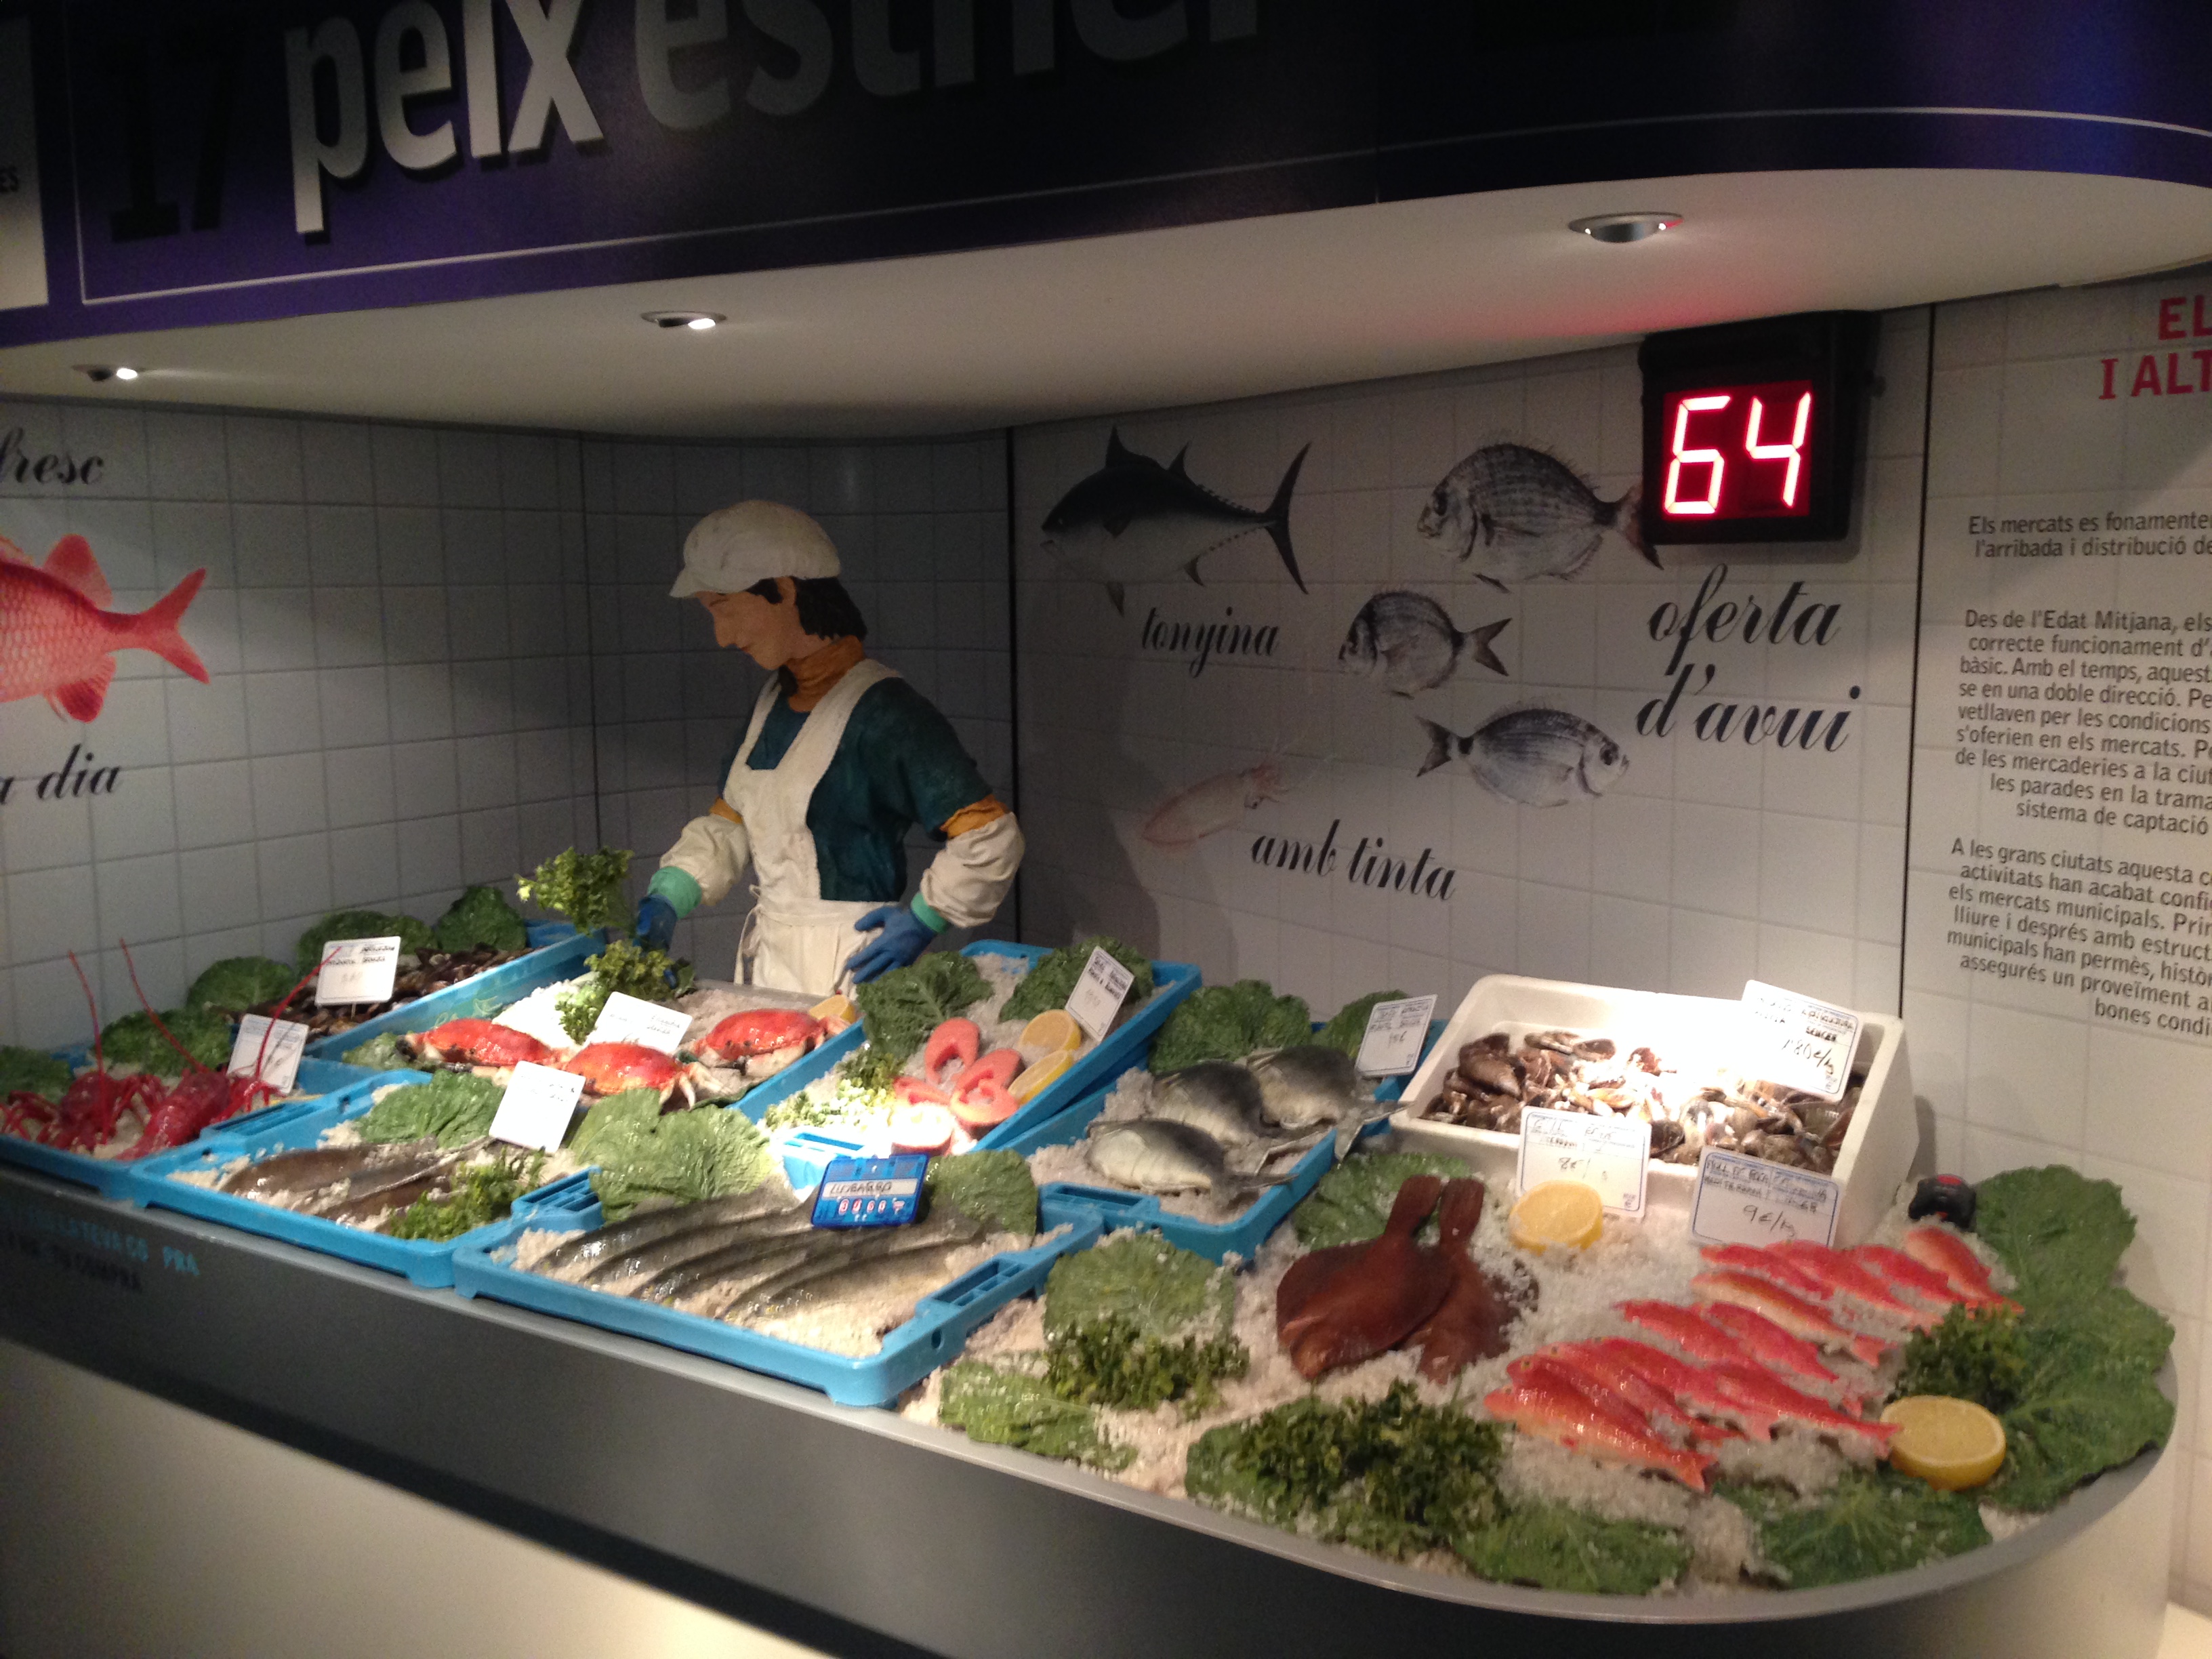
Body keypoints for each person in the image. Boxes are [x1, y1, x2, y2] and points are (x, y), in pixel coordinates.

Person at [633, 501, 1022, 992]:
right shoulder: (772, 704)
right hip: (771, 966)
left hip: (855, 965)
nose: (722, 637)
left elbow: (989, 837)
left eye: (723, 608)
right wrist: (670, 895)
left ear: (784, 590)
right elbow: (734, 821)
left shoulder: (888, 714)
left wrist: (925, 918)